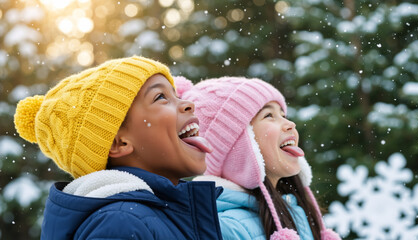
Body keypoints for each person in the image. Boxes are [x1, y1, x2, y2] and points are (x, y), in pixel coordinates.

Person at [14, 56, 223, 239]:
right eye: (160, 97)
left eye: (176, 95)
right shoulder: (120, 224)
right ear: (118, 143)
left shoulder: (153, 216)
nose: (188, 104)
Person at [176, 76, 341, 240]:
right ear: (237, 149)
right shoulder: (228, 229)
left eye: (283, 115)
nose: (290, 123)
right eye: (269, 115)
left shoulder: (294, 210)